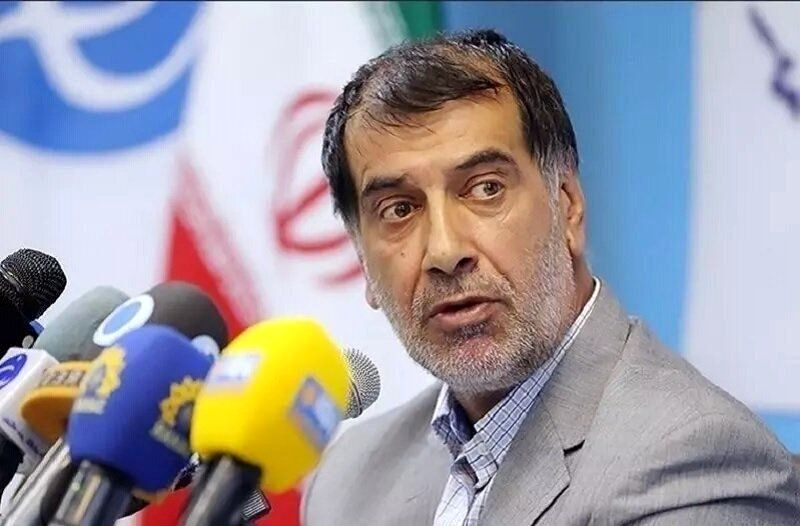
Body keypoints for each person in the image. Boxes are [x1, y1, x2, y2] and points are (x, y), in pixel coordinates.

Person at [302, 29, 800, 525]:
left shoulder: (694, 462)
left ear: (569, 207)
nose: (446, 251)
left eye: (485, 189)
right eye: (399, 209)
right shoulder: (348, 482)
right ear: (362, 259)